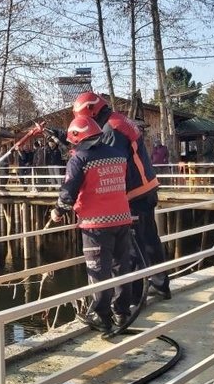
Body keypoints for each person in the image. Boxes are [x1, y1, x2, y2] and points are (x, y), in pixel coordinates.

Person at [59, 91, 170, 301]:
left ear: (92, 111)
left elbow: (106, 158)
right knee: (150, 241)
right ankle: (160, 284)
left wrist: (77, 154)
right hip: (146, 187)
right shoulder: (118, 120)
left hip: (133, 194)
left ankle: (135, 298)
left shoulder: (111, 129)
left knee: (132, 249)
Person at [51, 116, 132, 337]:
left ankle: (101, 318)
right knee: (120, 269)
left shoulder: (80, 159)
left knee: (98, 271)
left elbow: (68, 193)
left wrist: (58, 211)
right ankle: (122, 313)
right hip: (122, 219)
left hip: (96, 225)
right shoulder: (118, 154)